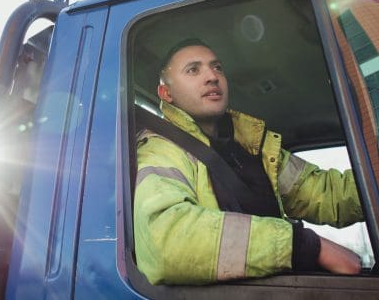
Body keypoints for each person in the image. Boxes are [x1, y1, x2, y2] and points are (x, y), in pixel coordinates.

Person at [133, 38, 363, 285]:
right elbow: (168, 241)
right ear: (166, 93)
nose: (212, 76)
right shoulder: (160, 150)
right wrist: (303, 246)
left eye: (217, 67)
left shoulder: (255, 147)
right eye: (193, 70)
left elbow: (326, 195)